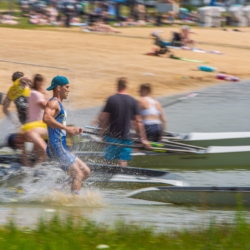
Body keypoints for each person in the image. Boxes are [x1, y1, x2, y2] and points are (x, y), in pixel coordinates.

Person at [43, 75, 90, 195]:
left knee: (85, 172)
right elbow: (46, 118)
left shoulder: (59, 104)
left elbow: (59, 126)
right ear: (58, 88)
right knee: (78, 175)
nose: (68, 90)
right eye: (67, 87)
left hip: (61, 146)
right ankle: (74, 207)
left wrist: (73, 130)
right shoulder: (53, 103)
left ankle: (59, 188)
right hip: (56, 146)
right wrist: (67, 128)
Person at [100, 77, 150, 167]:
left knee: (107, 159)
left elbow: (104, 118)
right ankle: (122, 176)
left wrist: (102, 133)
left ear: (117, 86)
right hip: (126, 138)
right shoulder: (133, 101)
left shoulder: (111, 99)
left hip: (112, 137)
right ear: (126, 86)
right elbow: (138, 121)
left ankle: (105, 175)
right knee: (122, 161)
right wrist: (143, 139)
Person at [24, 74, 48, 165]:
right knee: (42, 150)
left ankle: (30, 163)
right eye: (40, 82)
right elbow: (45, 107)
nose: (41, 84)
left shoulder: (32, 92)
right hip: (37, 124)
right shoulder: (36, 94)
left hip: (33, 123)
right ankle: (36, 166)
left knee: (36, 149)